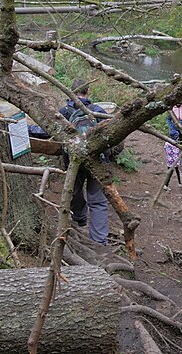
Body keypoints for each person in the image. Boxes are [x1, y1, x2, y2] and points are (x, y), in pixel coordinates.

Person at [59, 79, 110, 245]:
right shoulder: (98, 111)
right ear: (88, 92)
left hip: (74, 161)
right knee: (98, 200)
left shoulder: (64, 112)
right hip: (97, 161)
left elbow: (46, 133)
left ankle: (79, 218)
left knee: (74, 192)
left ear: (71, 93)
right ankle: (99, 241)